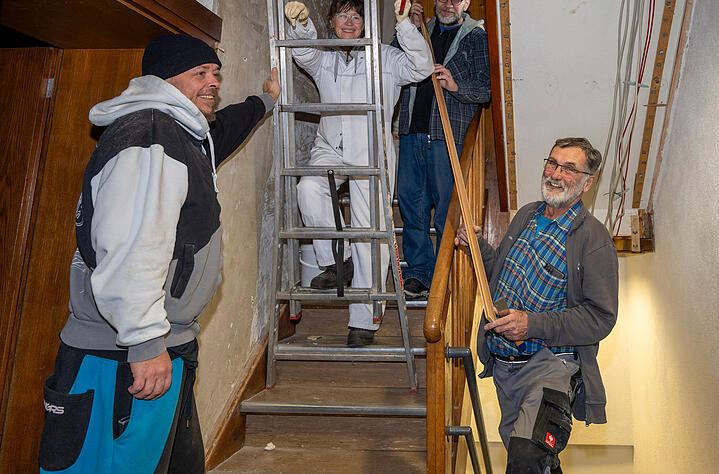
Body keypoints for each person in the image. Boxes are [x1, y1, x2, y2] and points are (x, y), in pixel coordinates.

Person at [37, 34, 280, 473]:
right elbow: (131, 245)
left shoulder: (185, 135)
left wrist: (265, 100)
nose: (213, 82)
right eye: (199, 73)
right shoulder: (151, 135)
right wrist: (146, 343)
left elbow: (224, 128)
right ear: (165, 79)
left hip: (165, 344)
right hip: (121, 355)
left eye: (215, 73)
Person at [456, 138, 618, 473]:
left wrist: (532, 324)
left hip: (549, 367)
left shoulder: (593, 238)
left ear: (588, 182)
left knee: (527, 458)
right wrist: (476, 246)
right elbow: (499, 276)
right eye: (553, 163)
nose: (556, 174)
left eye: (569, 168)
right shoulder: (527, 215)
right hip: (505, 369)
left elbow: (600, 317)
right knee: (533, 464)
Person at [285, 0, 433, 347]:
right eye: (342, 15)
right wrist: (303, 25)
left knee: (369, 234)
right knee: (308, 188)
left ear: (365, 23)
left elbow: (422, 66)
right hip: (330, 146)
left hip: (372, 149)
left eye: (356, 16)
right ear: (331, 22)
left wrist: (404, 25)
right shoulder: (325, 58)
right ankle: (339, 259)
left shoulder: (387, 57)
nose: (349, 22)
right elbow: (302, 53)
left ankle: (364, 320)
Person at [396, 0, 490, 300]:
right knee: (412, 205)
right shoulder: (421, 30)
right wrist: (407, 26)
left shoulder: (477, 36)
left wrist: (455, 86)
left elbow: (487, 88)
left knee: (446, 212)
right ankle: (418, 272)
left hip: (447, 135)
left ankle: (442, 275)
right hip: (412, 130)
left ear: (466, 3)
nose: (448, 4)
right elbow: (388, 62)